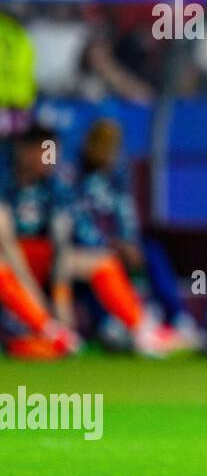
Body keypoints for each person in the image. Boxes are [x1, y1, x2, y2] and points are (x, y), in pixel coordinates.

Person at [0, 125, 188, 357]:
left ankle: (142, 330)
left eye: (53, 151)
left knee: (103, 262)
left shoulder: (55, 186)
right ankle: (48, 330)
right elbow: (7, 244)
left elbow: (61, 243)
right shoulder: (5, 181)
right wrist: (39, 303)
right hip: (11, 260)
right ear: (25, 151)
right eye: (44, 151)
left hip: (44, 259)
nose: (50, 159)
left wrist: (61, 298)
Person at [75, 118, 188, 329]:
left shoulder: (118, 177)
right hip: (87, 248)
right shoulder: (74, 177)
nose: (108, 151)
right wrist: (107, 244)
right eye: (103, 143)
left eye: (113, 145)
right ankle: (107, 324)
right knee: (95, 265)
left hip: (119, 244)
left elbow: (126, 213)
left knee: (152, 252)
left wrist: (128, 242)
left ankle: (177, 317)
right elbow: (76, 219)